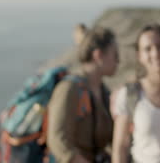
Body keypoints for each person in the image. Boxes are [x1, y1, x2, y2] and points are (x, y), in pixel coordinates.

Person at [47, 27, 119, 163]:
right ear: (98, 55)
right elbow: (58, 140)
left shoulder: (104, 91)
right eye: (115, 55)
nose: (118, 61)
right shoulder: (69, 89)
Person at [112, 24, 160, 163]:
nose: (155, 53)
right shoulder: (130, 93)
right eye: (148, 49)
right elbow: (120, 147)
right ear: (139, 56)